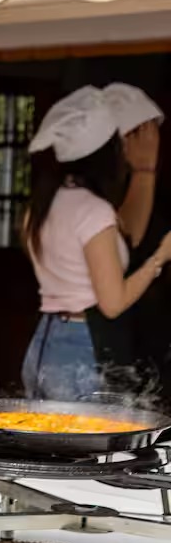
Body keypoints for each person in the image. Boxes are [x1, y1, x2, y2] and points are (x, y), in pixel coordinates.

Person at [22, 86, 171, 400]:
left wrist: (145, 171)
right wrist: (159, 257)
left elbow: (120, 234)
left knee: (47, 443)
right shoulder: (93, 210)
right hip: (83, 345)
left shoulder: (43, 206)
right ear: (107, 152)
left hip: (46, 339)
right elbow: (112, 303)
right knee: (88, 445)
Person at [102, 83, 167, 404]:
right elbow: (126, 238)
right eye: (142, 133)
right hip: (114, 317)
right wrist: (144, 170)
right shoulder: (93, 187)